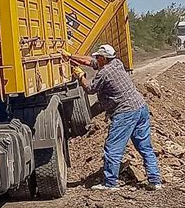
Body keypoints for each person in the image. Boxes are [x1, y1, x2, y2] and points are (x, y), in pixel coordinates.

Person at [59, 44, 162, 191]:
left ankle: (110, 183)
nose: (95, 59)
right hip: (140, 108)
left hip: (125, 113)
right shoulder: (116, 63)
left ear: (103, 58)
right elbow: (90, 62)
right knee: (145, 146)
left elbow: (90, 89)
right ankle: (155, 180)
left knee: (113, 148)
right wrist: (70, 56)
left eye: (97, 57)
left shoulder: (104, 73)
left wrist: (80, 75)